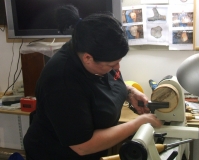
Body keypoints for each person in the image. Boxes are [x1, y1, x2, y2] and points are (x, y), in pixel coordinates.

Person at [23, 4, 161, 160]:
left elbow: (103, 84)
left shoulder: (96, 51)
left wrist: (129, 92)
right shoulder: (62, 81)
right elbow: (82, 146)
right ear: (87, 58)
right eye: (111, 65)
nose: (117, 67)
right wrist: (139, 123)